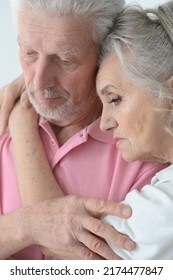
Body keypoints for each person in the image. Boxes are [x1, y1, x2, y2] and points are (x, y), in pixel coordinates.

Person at [0, 0, 166, 260]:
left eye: (65, 59)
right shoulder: (4, 113)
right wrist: (21, 227)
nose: (40, 81)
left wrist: (20, 121)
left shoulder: (146, 145)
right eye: (29, 52)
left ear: (104, 54)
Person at [96, 1, 173, 259]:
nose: (104, 123)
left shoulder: (164, 209)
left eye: (114, 99)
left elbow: (60, 257)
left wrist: (23, 118)